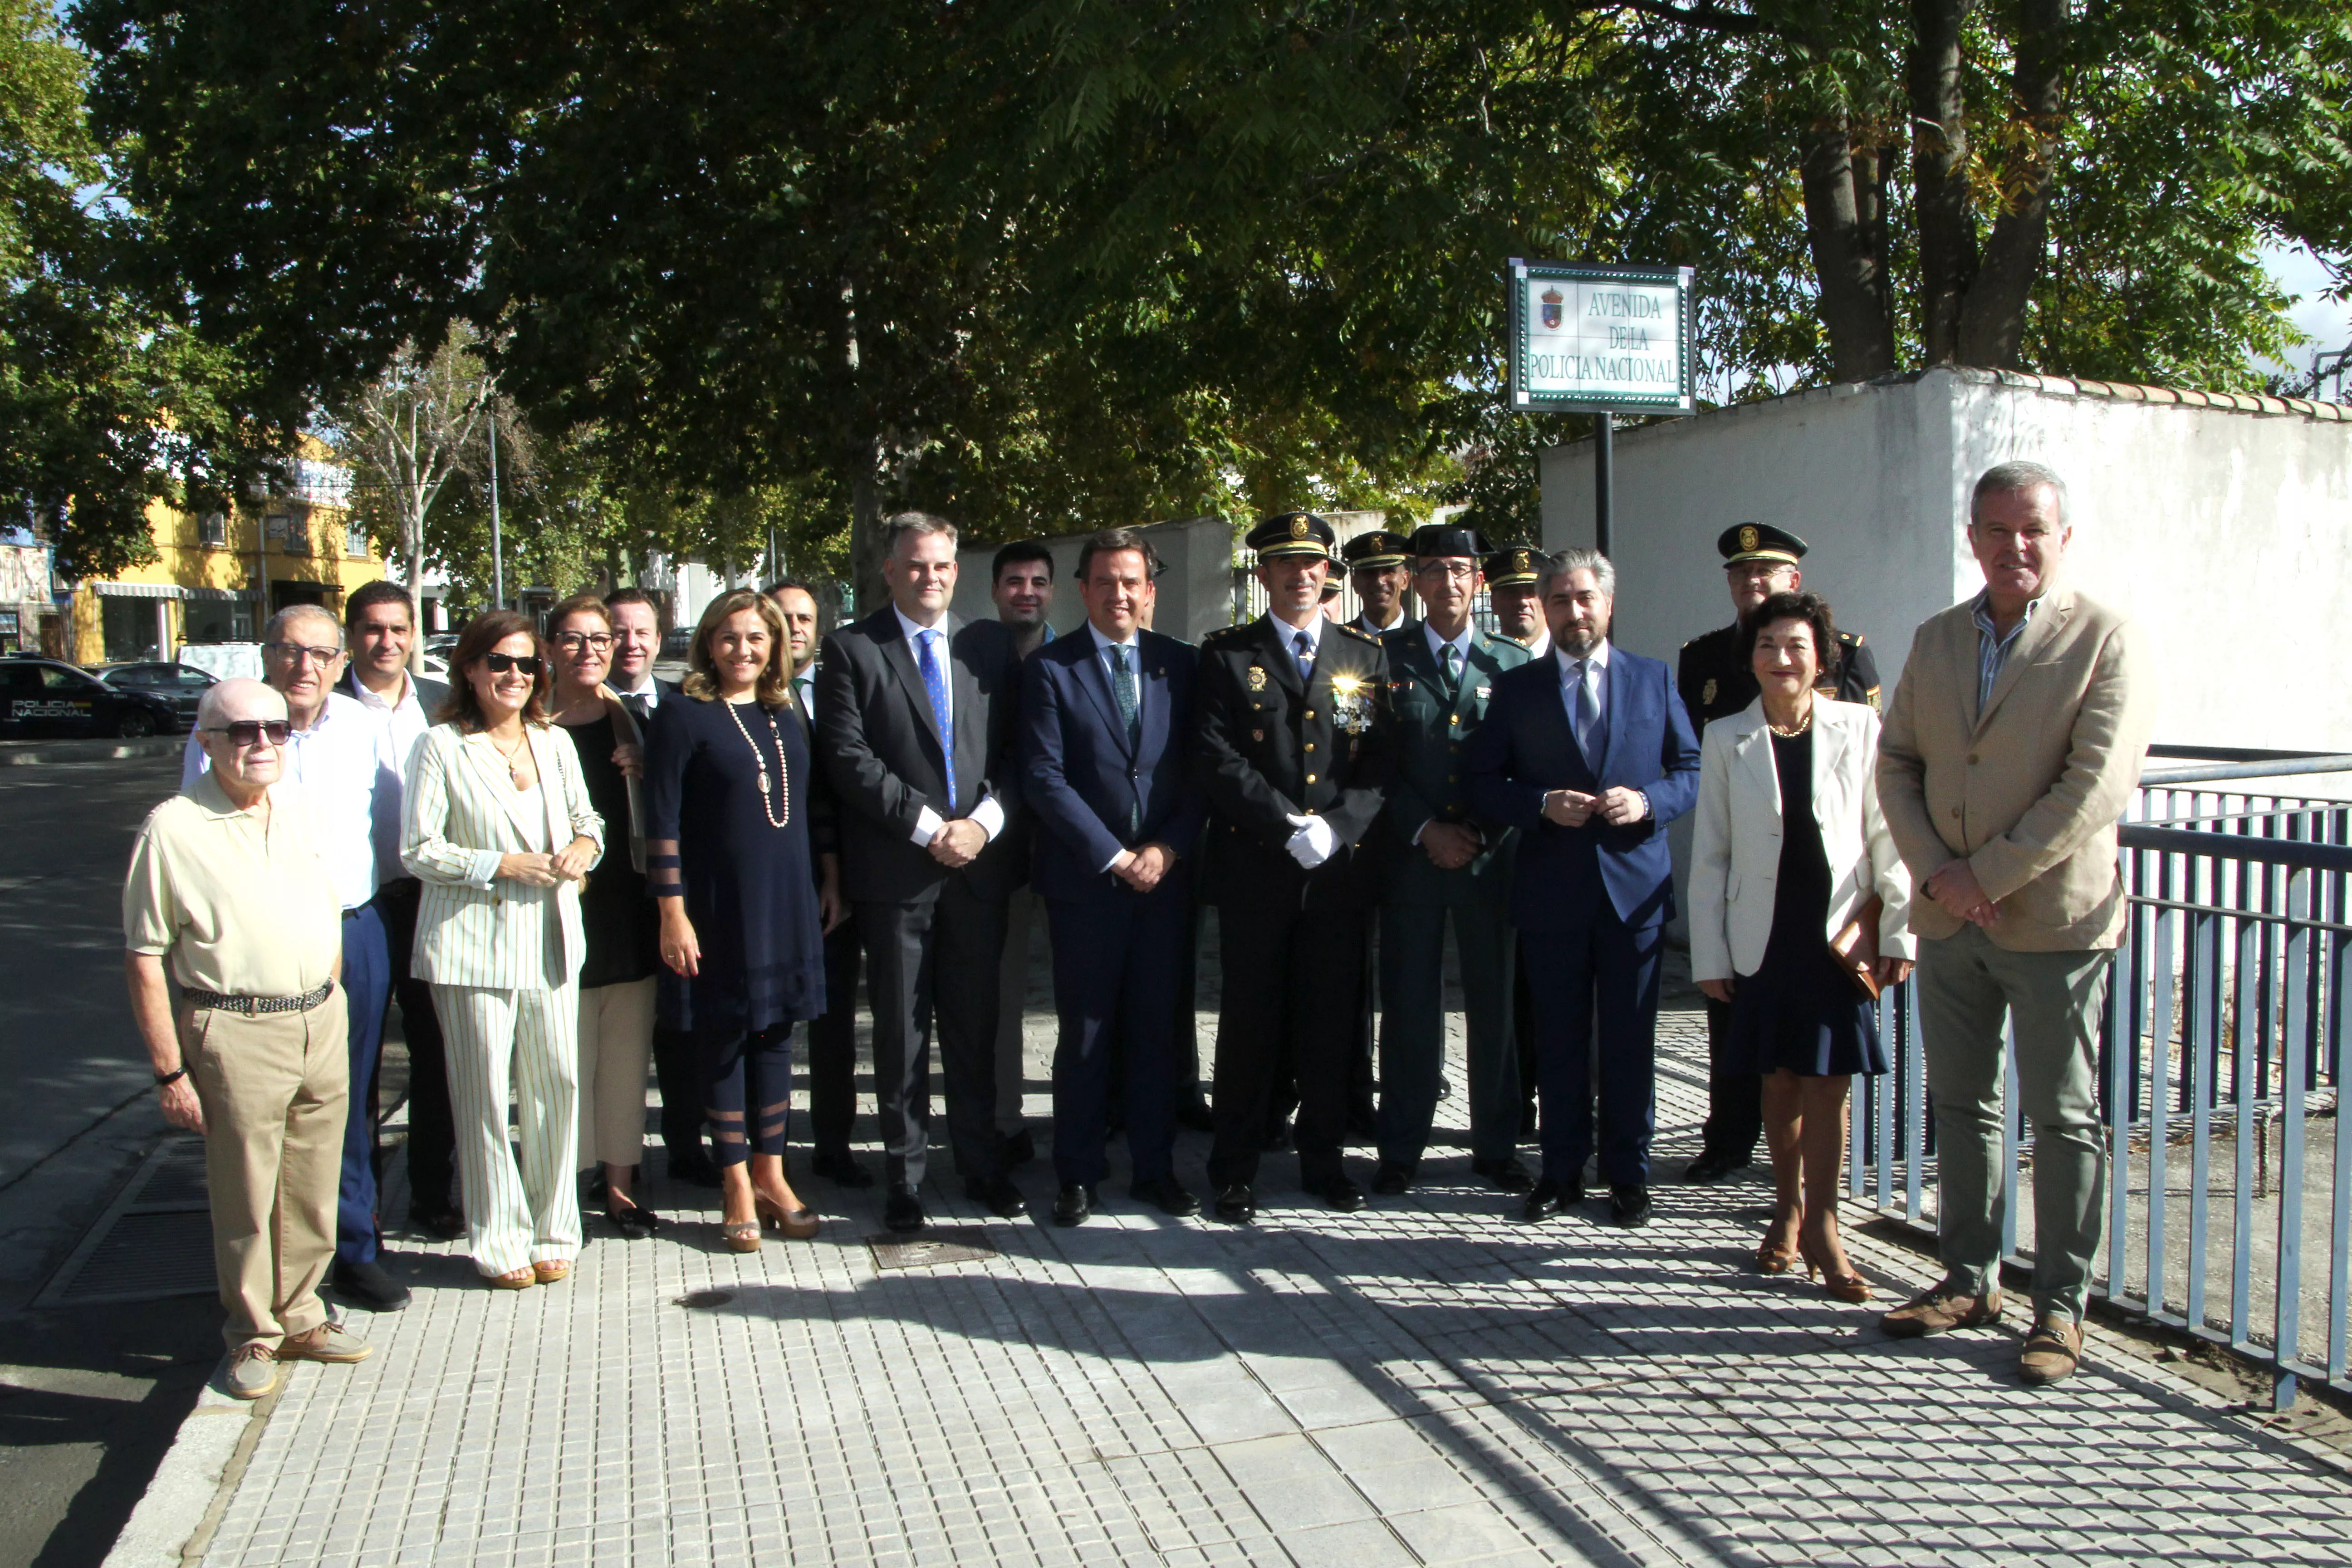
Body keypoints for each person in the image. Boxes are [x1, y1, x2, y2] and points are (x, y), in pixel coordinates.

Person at [1874, 461, 2153, 1384]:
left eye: (2032, 529)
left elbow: (2095, 786)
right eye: (1996, 530)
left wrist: (1985, 873)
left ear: (2062, 537)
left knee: (2066, 1117)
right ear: (1972, 538)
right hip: (1954, 921)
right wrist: (1937, 875)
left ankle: (2061, 1310)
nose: (2014, 546)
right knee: (1961, 1104)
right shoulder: (1938, 637)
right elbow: (1899, 761)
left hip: (2053, 924)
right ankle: (1967, 1278)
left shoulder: (2106, 639)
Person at [126, 678, 372, 1399]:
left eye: (274, 729)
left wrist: (327, 991)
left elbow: (326, 906)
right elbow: (145, 956)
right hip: (235, 1026)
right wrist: (171, 1073)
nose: (261, 743)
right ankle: (252, 1334)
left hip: (317, 1018)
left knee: (311, 1180)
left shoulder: (298, 806)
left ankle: (301, 1314)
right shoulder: (173, 828)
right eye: (241, 732)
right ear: (205, 744)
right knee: (246, 1192)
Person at [1688, 592, 1913, 1300]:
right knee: (1777, 1080)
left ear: (1822, 657)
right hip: (1762, 933)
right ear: (1749, 659)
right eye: (1766, 646)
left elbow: (1888, 836)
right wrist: (1711, 956)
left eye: (1795, 646)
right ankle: (1783, 1211)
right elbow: (1712, 855)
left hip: (1836, 934)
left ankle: (1825, 1223)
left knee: (1828, 1084)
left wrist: (1901, 928)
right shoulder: (1728, 736)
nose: (1780, 659)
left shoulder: (1860, 725)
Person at [183, 605, 408, 1311]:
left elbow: (397, 831)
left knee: (348, 1096)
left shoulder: (364, 732)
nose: (303, 667)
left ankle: (354, 1245)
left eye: (319, 653)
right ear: (266, 656)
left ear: (341, 663)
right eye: (288, 651)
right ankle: (273, 1270)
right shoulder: (225, 733)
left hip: (352, 927)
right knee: (263, 1108)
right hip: (262, 945)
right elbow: (194, 835)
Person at [1466, 549, 1699, 1228]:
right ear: (1544, 606)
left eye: (1585, 598)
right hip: (1553, 892)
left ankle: (1628, 1174)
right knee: (1560, 1041)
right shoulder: (1519, 689)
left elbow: (1688, 768)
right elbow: (1482, 782)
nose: (1575, 612)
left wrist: (1649, 802)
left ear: (1608, 604)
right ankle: (1561, 1171)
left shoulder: (1653, 679)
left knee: (1628, 1041)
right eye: (1561, 600)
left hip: (1636, 893)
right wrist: (1538, 803)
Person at [815, 513, 1026, 1232]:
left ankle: (979, 1165)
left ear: (956, 570)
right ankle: (903, 1179)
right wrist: (933, 827)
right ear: (889, 570)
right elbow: (848, 758)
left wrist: (981, 825)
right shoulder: (851, 650)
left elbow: (1020, 754)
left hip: (978, 870)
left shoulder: (990, 645)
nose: (928, 578)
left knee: (974, 1027)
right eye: (914, 566)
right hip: (898, 872)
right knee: (902, 1031)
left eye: (940, 566)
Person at [1192, 510, 1393, 1221]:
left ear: (1328, 575)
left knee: (1331, 1021)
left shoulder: (1363, 656)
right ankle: (1235, 1168)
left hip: (1337, 874)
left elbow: (1377, 761)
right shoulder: (1225, 656)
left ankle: (1325, 1163)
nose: (1301, 575)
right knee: (1249, 1023)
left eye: (1313, 565)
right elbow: (1215, 758)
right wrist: (1285, 825)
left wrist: (1336, 830)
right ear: (1265, 575)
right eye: (1285, 564)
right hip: (1258, 868)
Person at [1676, 522, 1884, 1186]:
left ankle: (1814, 1189)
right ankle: (1732, 1142)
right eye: (1741, 575)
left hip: (1829, 907)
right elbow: (1710, 831)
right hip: (1752, 900)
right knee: (1743, 1040)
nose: (1753, 584)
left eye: (1766, 574)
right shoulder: (1705, 658)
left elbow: (1876, 813)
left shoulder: (1848, 658)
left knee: (1825, 1065)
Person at [402, 611, 603, 1288]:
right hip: (472, 945)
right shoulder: (441, 747)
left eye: (526, 665)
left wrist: (585, 847)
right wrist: (498, 865)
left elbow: (590, 819)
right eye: (499, 663)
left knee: (556, 1087)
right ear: (469, 669)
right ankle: (498, 1239)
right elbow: (419, 850)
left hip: (549, 938)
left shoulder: (553, 742)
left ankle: (555, 1228)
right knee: (485, 1094)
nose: (514, 676)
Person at [1018, 529, 1206, 1225]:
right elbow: (1043, 776)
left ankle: (1155, 1170)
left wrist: (1167, 849)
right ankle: (1078, 1174)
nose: (1119, 594)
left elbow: (1197, 770)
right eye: (1105, 582)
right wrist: (1116, 855)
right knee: (1087, 1032)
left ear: (1150, 591)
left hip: (1164, 880)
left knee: (1159, 1029)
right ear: (1083, 589)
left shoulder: (1180, 665)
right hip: (1087, 883)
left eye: (1132, 582)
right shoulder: (1049, 669)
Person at [646, 589, 832, 1251]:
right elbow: (661, 822)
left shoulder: (787, 713)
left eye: (756, 638)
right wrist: (673, 912)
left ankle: (772, 1175)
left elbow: (811, 809)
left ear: (776, 645)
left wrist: (829, 879)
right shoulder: (684, 714)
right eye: (730, 638)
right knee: (722, 1038)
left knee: (777, 1037)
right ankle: (732, 1182)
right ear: (708, 643)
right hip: (716, 909)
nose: (743, 650)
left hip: (785, 900)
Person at [1372, 524, 1531, 1196]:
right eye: (1433, 569)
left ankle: (1496, 1143)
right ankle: (1401, 1145)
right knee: (1408, 1005)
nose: (1448, 583)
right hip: (1411, 859)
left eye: (1461, 569)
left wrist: (1479, 835)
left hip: (1492, 861)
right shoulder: (1381, 656)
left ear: (1480, 582)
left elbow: (1528, 763)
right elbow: (1370, 761)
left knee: (1495, 1004)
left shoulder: (1514, 663)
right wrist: (1425, 829)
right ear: (1413, 578)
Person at [336, 581, 462, 1243]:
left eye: (398, 629)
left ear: (414, 633)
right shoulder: (323, 712)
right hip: (355, 908)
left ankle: (430, 1190)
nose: (387, 642)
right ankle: (360, 1207)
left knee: (435, 1052)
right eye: (372, 629)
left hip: (429, 899)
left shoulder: (442, 705)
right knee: (352, 1064)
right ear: (352, 635)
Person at [543, 593, 664, 1239]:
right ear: (549, 648)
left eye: (599, 640)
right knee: (561, 1058)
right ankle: (564, 1181)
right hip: (555, 908)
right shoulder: (526, 721)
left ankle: (619, 1186)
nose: (588, 652)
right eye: (573, 639)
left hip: (626, 904)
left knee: (622, 1055)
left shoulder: (636, 721)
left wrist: (645, 770)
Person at [768, 578, 873, 1190]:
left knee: (835, 1027)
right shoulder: (742, 698)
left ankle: (834, 1145)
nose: (796, 627)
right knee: (771, 1022)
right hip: (773, 887)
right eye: (783, 617)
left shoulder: (843, 687)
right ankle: (768, 1153)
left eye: (805, 617)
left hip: (841, 884)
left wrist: (838, 875)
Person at [607, 586, 712, 1189]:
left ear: (659, 636)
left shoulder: (685, 704)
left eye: (641, 631)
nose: (630, 643)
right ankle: (610, 1159)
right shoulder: (574, 711)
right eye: (618, 631)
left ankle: (685, 1144)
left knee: (681, 1027)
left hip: (677, 892)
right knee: (617, 1034)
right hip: (608, 894)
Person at [989, 540, 1056, 1171]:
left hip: (1072, 853)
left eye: (1038, 581)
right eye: (1014, 581)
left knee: (1086, 991)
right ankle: (1006, 1121)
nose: (1026, 591)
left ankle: (1098, 1108)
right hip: (998, 854)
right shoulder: (974, 659)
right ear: (994, 591)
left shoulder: (1073, 659)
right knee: (1003, 995)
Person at [1340, 529, 1415, 636]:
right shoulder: (1340, 642)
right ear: (1354, 583)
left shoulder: (1426, 641)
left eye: (1389, 571)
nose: (1379, 581)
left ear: (1405, 580)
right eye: (1369, 573)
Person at [1485, 546, 1550, 658]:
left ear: (1547, 599)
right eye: (1512, 593)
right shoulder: (1482, 663)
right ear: (1494, 603)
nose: (1522, 601)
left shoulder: (1568, 656)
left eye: (1532, 592)